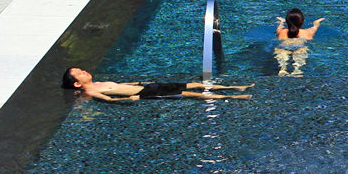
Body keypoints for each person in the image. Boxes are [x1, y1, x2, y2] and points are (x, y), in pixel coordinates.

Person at [61, 67, 252, 102]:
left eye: (81, 69)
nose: (84, 71)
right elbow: (109, 99)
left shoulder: (100, 81)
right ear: (77, 84)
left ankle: (232, 87)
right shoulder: (93, 91)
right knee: (191, 94)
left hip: (148, 86)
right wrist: (130, 99)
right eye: (80, 73)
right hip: (147, 93)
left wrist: (137, 83)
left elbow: (121, 84)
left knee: (193, 84)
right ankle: (233, 96)